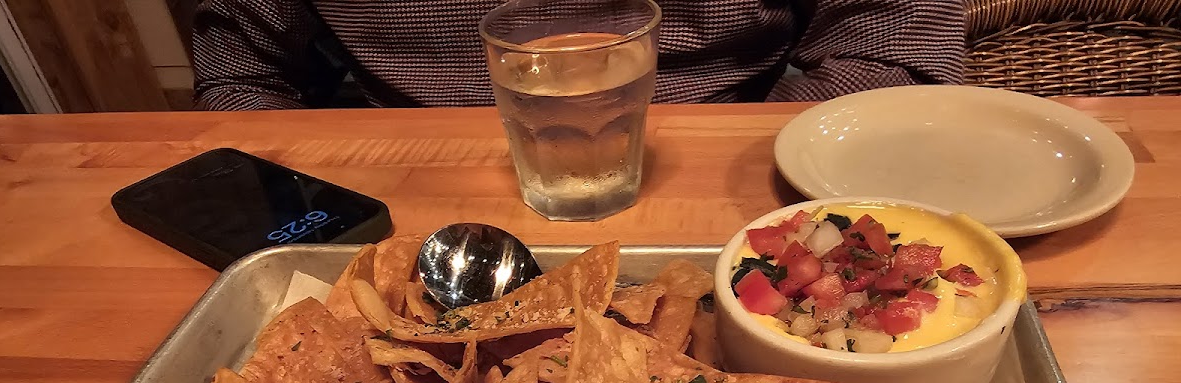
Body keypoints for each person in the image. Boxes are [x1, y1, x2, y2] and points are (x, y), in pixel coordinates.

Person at [193, 0, 964, 111]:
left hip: (736, 153)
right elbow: (241, 67)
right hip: (403, 170)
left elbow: (888, 34)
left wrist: (764, 173)